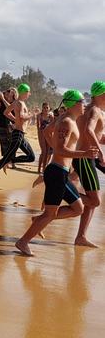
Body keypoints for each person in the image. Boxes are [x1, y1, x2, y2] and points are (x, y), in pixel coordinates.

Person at [15, 90, 98, 256]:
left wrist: (56, 149)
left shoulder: (66, 119)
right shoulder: (67, 122)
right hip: (57, 172)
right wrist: (85, 154)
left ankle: (39, 220)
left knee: (78, 208)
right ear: (74, 104)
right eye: (82, 102)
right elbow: (60, 149)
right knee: (51, 213)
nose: (84, 105)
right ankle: (23, 241)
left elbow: (47, 133)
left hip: (61, 173)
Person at [72, 81, 105, 247]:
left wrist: (100, 144)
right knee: (95, 201)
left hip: (83, 158)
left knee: (92, 201)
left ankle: (81, 237)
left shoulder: (90, 110)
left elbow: (95, 134)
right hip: (85, 158)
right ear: (100, 94)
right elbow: (88, 131)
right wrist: (100, 152)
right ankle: (65, 193)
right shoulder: (94, 110)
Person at [0, 83, 37, 187]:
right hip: (18, 134)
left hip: (20, 134)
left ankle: (8, 161)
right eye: (28, 92)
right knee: (5, 158)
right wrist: (32, 115)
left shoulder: (18, 102)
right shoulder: (20, 104)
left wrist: (15, 121)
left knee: (31, 157)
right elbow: (21, 117)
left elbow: (6, 112)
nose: (29, 94)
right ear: (24, 92)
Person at [36, 102, 54, 174]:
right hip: (42, 134)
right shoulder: (39, 115)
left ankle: (44, 168)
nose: (46, 109)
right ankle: (39, 168)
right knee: (44, 151)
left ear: (49, 108)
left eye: (47, 107)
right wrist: (40, 134)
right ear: (42, 108)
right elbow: (38, 127)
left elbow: (53, 125)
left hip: (49, 134)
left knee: (48, 152)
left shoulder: (51, 116)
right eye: (44, 107)